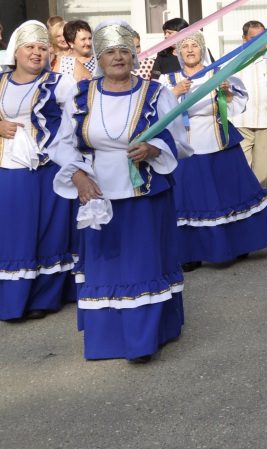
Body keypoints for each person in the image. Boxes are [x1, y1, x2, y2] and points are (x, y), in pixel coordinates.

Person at [51, 21, 192, 362]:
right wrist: (78, 177)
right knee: (105, 265)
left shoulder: (156, 93)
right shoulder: (80, 94)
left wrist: (154, 148)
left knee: (144, 264)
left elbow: (182, 141)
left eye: (124, 51)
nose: (118, 57)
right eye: (110, 52)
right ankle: (108, 339)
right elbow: (62, 144)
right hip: (96, 193)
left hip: (145, 193)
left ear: (134, 56)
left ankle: (144, 340)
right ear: (99, 57)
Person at [159, 31, 267, 269]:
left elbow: (237, 104)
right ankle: (190, 253)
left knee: (230, 193)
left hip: (219, 143)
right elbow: (157, 113)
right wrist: (174, 94)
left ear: (202, 49)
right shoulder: (169, 80)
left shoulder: (218, 73)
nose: (190, 50)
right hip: (186, 148)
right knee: (190, 200)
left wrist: (226, 92)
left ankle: (240, 243)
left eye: (194, 46)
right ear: (177, 52)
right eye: (185, 46)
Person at [0, 21, 77, 321]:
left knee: (49, 231)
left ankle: (44, 297)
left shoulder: (61, 83)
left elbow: (80, 117)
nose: (36, 53)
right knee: (14, 232)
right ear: (15, 52)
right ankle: (12, 299)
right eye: (30, 47)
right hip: (10, 168)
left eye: (42, 48)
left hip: (49, 168)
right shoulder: (1, 82)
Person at [229, 21, 267, 191]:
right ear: (244, 38)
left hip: (265, 122)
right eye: (254, 38)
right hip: (240, 122)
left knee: (263, 172)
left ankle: (262, 200)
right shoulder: (231, 60)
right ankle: (243, 200)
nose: (259, 42)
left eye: (262, 37)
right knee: (240, 167)